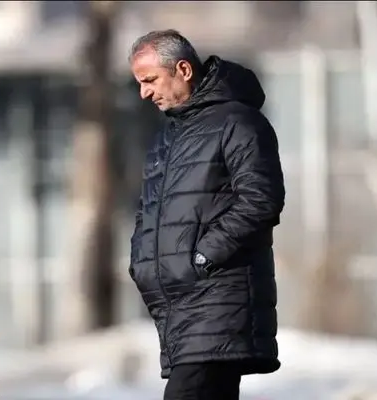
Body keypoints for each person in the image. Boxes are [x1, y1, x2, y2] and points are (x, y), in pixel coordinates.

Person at [128, 30, 286, 400]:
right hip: (179, 309)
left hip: (218, 299)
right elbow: (149, 211)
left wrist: (203, 256)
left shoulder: (237, 123)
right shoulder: (167, 138)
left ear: (183, 70)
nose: (144, 93)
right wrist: (141, 261)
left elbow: (261, 199)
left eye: (150, 80)